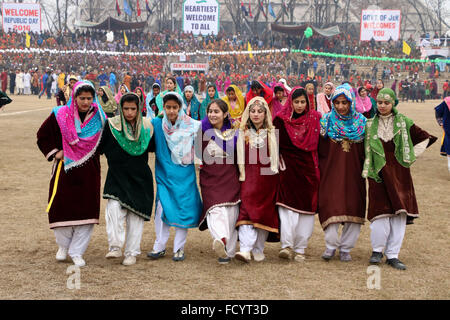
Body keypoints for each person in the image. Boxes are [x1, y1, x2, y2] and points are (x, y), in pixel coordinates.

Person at [363, 88, 437, 270]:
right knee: (380, 214)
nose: (382, 106)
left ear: (393, 103)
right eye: (379, 102)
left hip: (400, 175)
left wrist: (409, 156)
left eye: (386, 103)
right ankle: (377, 251)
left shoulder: (404, 122)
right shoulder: (369, 124)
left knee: (399, 214)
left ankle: (393, 254)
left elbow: (425, 138)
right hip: (377, 175)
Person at [36, 81, 106, 267]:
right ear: (74, 97)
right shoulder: (60, 114)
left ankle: (77, 252)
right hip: (64, 170)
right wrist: (55, 152)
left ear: (94, 99)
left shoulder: (100, 117)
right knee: (61, 208)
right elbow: (42, 135)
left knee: (87, 210)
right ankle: (63, 247)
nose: (85, 102)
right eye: (81, 98)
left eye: (89, 98)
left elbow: (107, 141)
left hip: (89, 171)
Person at [99, 92, 154, 266]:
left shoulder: (147, 127)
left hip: (140, 178)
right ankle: (115, 247)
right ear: (120, 109)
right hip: (117, 176)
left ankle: (131, 252)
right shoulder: (111, 126)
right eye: (126, 109)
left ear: (139, 109)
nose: (129, 112)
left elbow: (155, 148)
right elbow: (99, 147)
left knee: (135, 217)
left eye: (133, 109)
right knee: (114, 209)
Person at [147, 92, 202, 262]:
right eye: (168, 107)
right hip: (164, 173)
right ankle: (159, 245)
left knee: (182, 209)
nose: (171, 111)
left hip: (185, 174)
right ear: (163, 107)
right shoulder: (156, 124)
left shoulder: (191, 125)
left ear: (180, 108)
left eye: (175, 107)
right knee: (162, 208)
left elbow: (202, 142)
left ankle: (179, 247)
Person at [318, 84, 367, 262]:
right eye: (337, 102)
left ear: (351, 103)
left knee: (353, 208)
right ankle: (330, 246)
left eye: (344, 103)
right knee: (331, 208)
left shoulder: (361, 123)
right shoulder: (325, 122)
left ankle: (346, 248)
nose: (340, 106)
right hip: (330, 174)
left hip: (355, 176)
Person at [273, 87, 321, 262]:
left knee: (306, 211)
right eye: (296, 102)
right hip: (287, 169)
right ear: (290, 102)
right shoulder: (280, 120)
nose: (300, 105)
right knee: (286, 208)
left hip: (308, 170)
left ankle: (300, 248)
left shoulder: (315, 119)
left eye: (303, 102)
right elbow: (273, 144)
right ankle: (286, 245)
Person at [234, 97, 279, 263]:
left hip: (267, 180)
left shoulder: (272, 133)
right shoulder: (242, 132)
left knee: (263, 214)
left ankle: (259, 249)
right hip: (248, 179)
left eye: (260, 111)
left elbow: (275, 158)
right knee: (246, 211)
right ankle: (245, 250)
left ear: (266, 113)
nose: (256, 114)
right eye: (252, 111)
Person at [198, 99, 241, 264]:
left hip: (230, 178)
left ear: (225, 114)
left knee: (231, 213)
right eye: (210, 111)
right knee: (214, 211)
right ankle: (220, 239)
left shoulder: (234, 134)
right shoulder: (201, 131)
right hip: (210, 178)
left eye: (216, 112)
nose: (212, 115)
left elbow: (240, 157)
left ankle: (228, 252)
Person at [435, 97, 450, 174]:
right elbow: (438, 111)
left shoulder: (447, 101)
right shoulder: (447, 102)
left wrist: (440, 122)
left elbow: (438, 112)